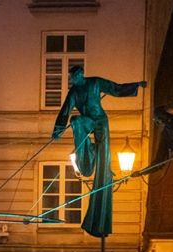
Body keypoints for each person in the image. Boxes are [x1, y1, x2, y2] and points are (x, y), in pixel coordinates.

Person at [51, 66, 146, 238]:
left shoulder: (94, 82)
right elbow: (65, 110)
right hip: (88, 121)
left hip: (101, 121)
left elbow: (115, 88)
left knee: (104, 158)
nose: (73, 80)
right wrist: (57, 129)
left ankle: (98, 161)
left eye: (75, 77)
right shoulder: (73, 93)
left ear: (81, 75)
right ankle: (87, 157)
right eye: (72, 78)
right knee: (76, 121)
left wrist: (136, 86)